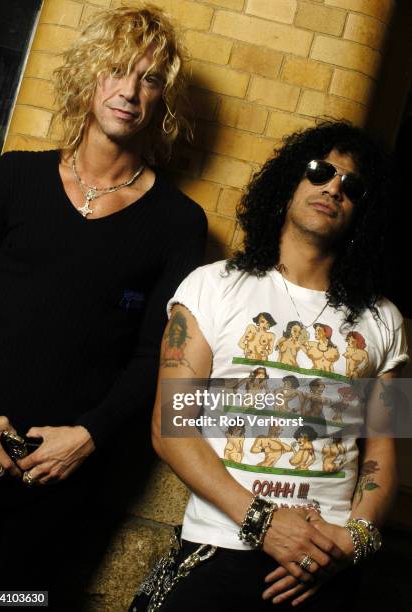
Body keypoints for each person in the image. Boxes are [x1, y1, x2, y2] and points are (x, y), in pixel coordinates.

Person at [0, 4, 206, 608]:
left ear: (162, 100)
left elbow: (152, 356)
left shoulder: (178, 223)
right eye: (117, 70)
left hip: (60, 475)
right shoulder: (14, 179)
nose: (130, 91)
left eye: (150, 79)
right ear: (90, 76)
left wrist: (88, 436)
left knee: (16, 602)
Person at [151, 121, 408, 611]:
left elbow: (383, 452)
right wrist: (264, 523)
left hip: (327, 561)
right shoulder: (213, 286)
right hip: (221, 543)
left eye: (351, 186)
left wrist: (355, 540)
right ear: (291, 179)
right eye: (320, 171)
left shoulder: (384, 320)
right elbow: (172, 427)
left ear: (363, 212)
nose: (333, 187)